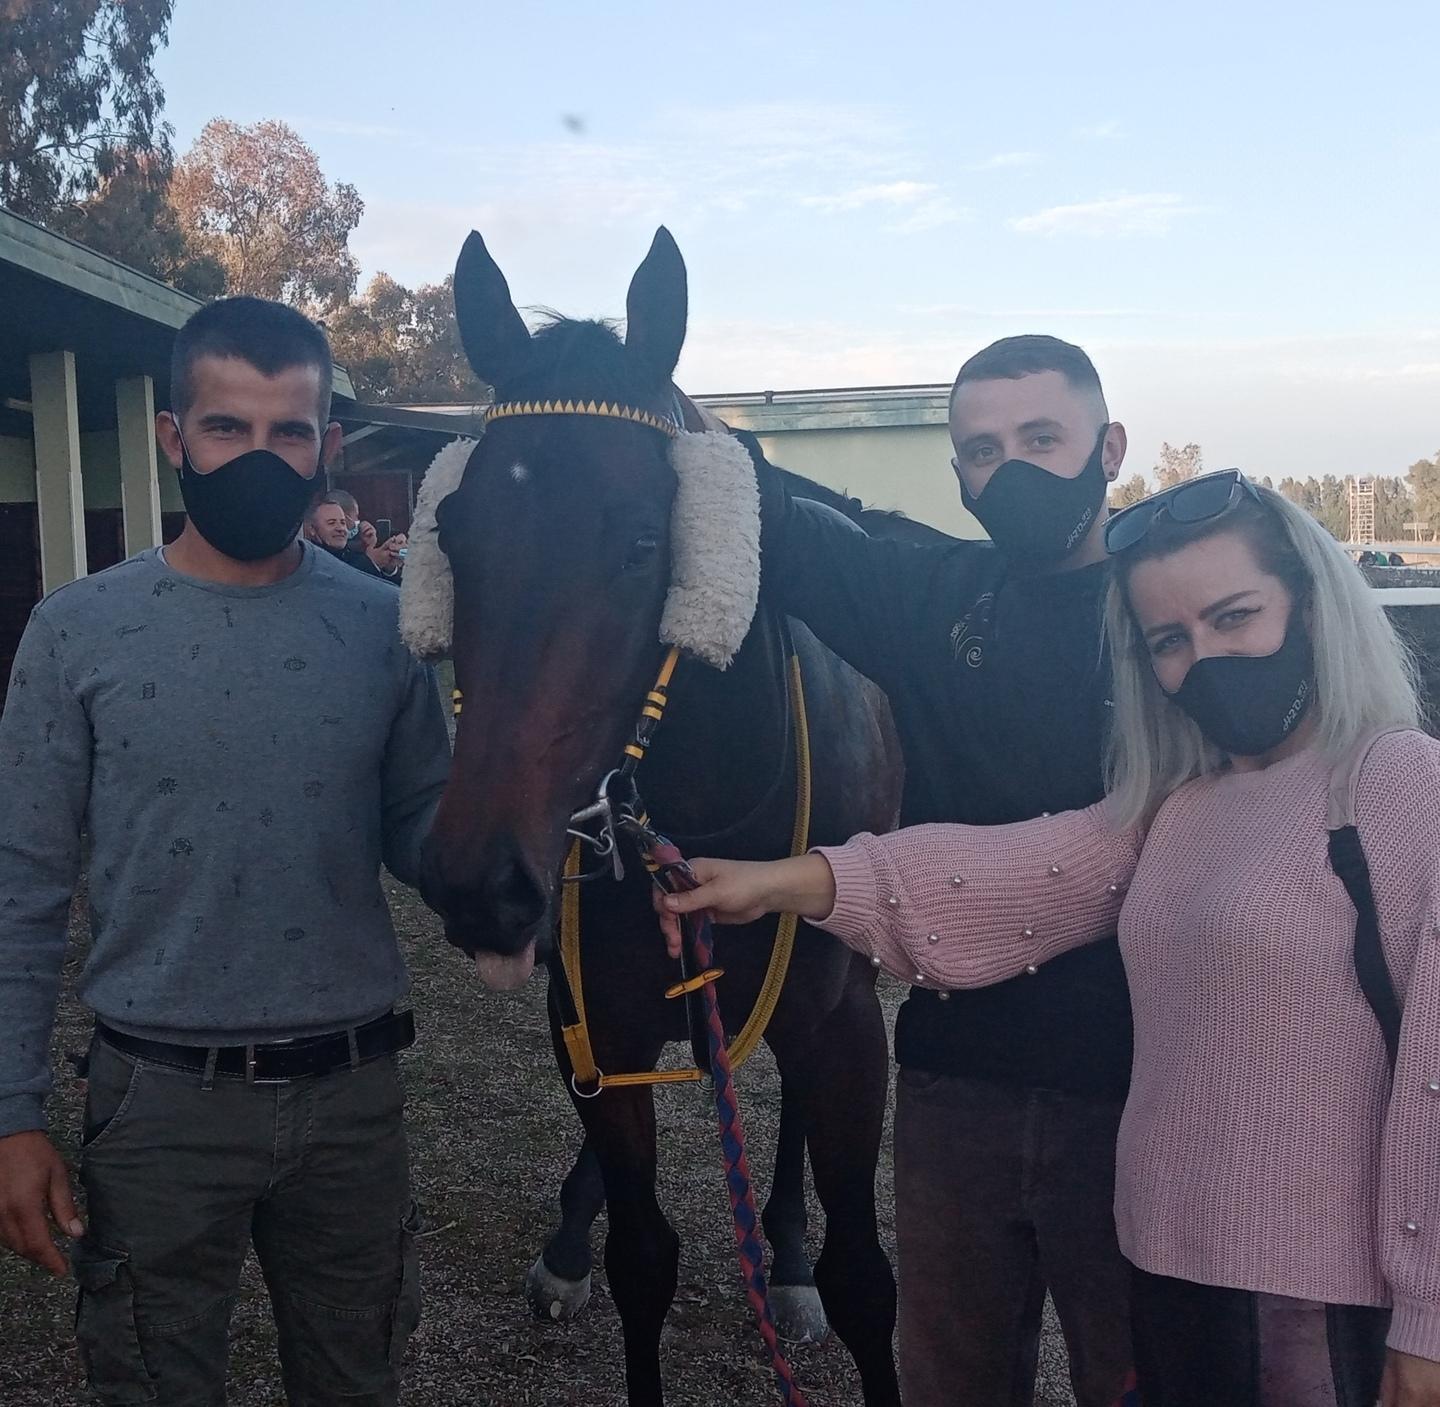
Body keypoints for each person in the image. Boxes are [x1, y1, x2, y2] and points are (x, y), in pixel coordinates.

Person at [661, 473, 1440, 1406]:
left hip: (1319, 1303)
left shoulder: (1398, 784)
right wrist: (774, 882)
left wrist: (1429, 1317)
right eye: (1171, 641)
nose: (1207, 659)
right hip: (1165, 1271)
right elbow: (1010, 873)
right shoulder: (1178, 805)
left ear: (1310, 606)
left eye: (1236, 617)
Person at [0, 295, 451, 1405]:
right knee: (152, 1382)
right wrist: (11, 1116)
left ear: (326, 449)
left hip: (352, 1101)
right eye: (225, 428)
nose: (260, 455)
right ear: (173, 439)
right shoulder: (74, 631)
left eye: (288, 432)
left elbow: (431, 839)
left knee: (357, 1382)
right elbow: (22, 888)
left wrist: (546, 821)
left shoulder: (387, 630)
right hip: (158, 1102)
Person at [696, 334, 1137, 1405]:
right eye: (982, 451)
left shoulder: (1175, 617)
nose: (1013, 471)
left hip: (1145, 1092)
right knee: (952, 1378)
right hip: (957, 1083)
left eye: (1043, 438)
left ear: (1109, 447)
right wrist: (653, 412)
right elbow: (775, 517)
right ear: (956, 475)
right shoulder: (934, 599)